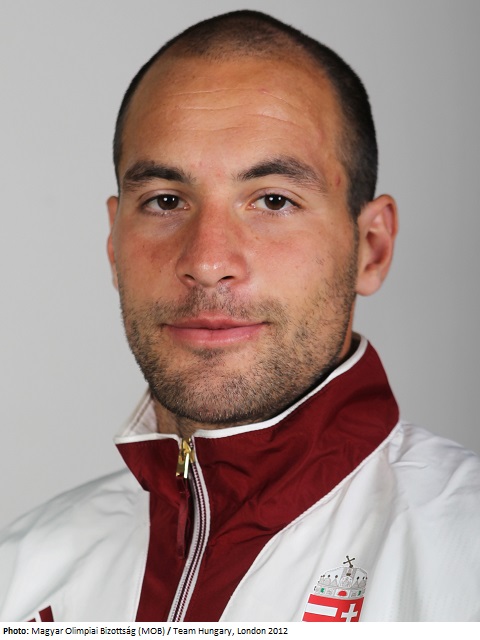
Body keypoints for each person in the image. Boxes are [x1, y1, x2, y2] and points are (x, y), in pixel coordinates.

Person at [0, 10, 479, 623]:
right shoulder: (20, 576)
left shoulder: (464, 557)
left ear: (371, 247)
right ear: (115, 245)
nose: (207, 262)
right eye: (165, 201)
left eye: (274, 200)